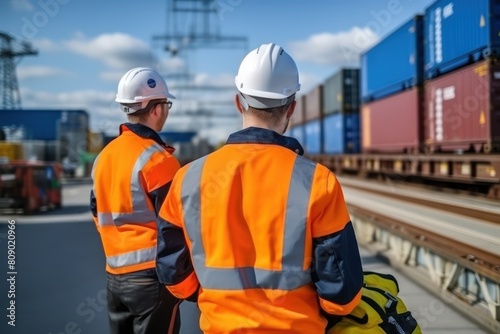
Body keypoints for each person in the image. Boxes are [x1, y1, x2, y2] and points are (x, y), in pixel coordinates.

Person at [155, 43, 364, 333]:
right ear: (292, 106)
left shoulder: (188, 178)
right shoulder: (318, 181)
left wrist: (209, 298)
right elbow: (342, 295)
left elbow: (172, 272)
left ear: (238, 102)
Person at [90, 67, 182, 334]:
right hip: (152, 280)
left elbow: (97, 214)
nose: (167, 110)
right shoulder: (159, 160)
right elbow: (176, 226)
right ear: (156, 109)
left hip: (114, 278)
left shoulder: (103, 157)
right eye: (167, 104)